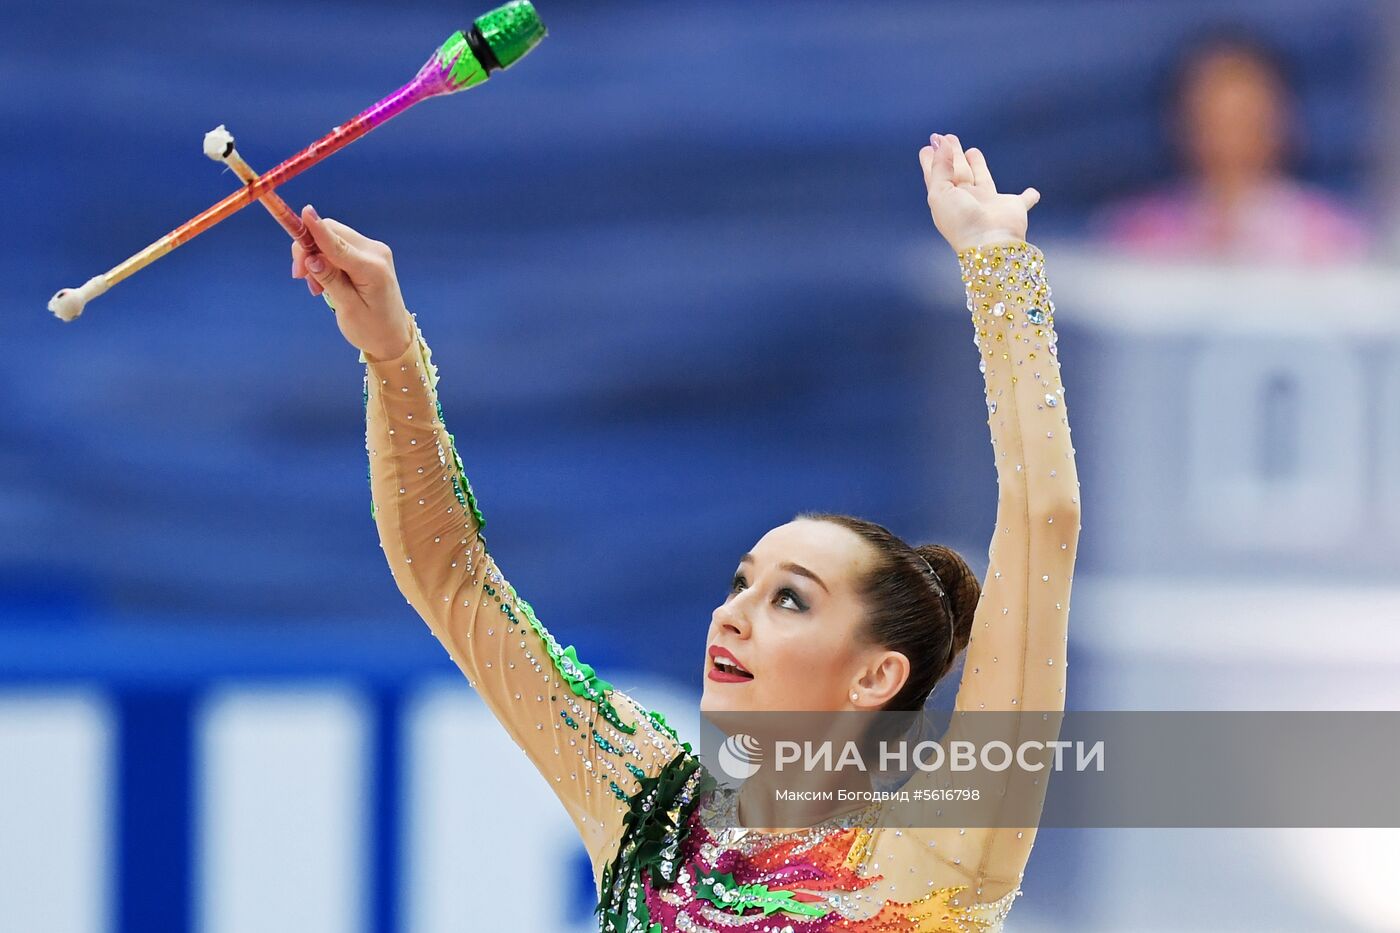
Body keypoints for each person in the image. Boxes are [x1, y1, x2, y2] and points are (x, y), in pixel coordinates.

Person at [290, 132, 1079, 931]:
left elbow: (1041, 520)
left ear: (875, 677)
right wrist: (390, 353)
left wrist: (996, 265)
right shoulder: (648, 811)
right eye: (743, 583)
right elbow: (451, 576)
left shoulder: (929, 861)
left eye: (791, 601)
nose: (730, 613)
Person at [1095, 29, 1371, 261]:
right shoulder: (1135, 233)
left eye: (1246, 120)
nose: (1229, 141)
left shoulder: (1333, 237)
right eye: (1213, 120)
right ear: (1180, 123)